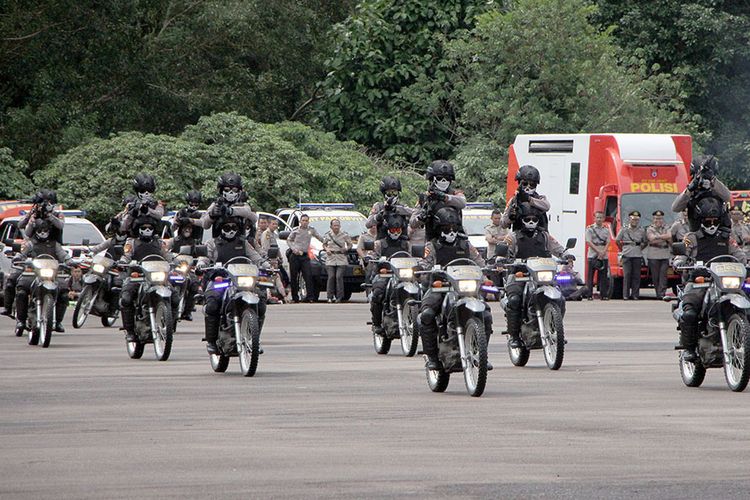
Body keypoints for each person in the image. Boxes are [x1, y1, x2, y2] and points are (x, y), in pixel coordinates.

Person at [418, 207, 489, 370]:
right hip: (440, 288)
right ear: (438, 229)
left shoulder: (466, 245)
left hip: (464, 289)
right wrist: (421, 269)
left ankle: (481, 354)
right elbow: (425, 263)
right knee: (427, 315)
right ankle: (432, 358)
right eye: (446, 229)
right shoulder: (432, 245)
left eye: (453, 228)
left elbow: (479, 261)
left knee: (485, 314)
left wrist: (489, 269)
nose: (450, 232)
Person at [677, 198, 746, 362]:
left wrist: (746, 263)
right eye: (708, 221)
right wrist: (680, 262)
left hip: (724, 282)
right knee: (690, 311)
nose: (712, 224)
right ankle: (688, 348)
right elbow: (681, 254)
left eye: (715, 221)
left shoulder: (726, 238)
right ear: (701, 221)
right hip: (699, 282)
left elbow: (740, 255)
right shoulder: (692, 238)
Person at [501, 203, 568, 348]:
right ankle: (513, 336)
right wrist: (500, 258)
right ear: (521, 220)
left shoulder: (544, 236)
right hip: (519, 274)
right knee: (514, 300)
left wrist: (566, 254)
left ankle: (557, 329)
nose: (531, 222)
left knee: (560, 298)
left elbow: (557, 247)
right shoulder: (513, 236)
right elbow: (503, 251)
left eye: (534, 219)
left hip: (541, 276)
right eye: (527, 219)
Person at [198, 217, 267, 354]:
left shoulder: (244, 243)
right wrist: (201, 264)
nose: (231, 230)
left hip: (241, 282)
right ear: (220, 228)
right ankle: (211, 341)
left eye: (234, 228)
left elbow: (256, 257)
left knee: (260, 301)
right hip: (220, 280)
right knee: (212, 303)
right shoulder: (212, 243)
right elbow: (205, 257)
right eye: (227, 227)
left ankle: (254, 339)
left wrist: (267, 265)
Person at [13, 220, 73, 335]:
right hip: (33, 275)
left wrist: (69, 261)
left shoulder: (55, 244)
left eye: (45, 230)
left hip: (52, 276)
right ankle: (20, 320)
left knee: (64, 292)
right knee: (21, 291)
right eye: (40, 230)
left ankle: (58, 321)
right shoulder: (31, 243)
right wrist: (19, 258)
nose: (43, 233)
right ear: (35, 231)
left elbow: (63, 255)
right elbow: (22, 253)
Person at [118, 217, 172, 342]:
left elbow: (168, 256)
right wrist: (123, 262)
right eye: (144, 228)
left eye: (150, 228)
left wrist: (177, 263)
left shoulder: (159, 243)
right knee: (126, 298)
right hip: (137, 277)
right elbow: (126, 256)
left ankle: (170, 325)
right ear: (138, 229)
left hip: (157, 278)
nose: (147, 230)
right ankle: (130, 331)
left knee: (173, 296)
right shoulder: (131, 242)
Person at [369, 213, 410, 336]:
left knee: (419, 293)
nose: (396, 232)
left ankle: (412, 317)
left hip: (403, 276)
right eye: (393, 229)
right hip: (384, 274)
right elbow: (372, 255)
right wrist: (371, 258)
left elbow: (414, 257)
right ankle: (376, 323)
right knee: (378, 293)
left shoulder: (406, 244)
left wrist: (419, 262)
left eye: (398, 230)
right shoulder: (379, 243)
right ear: (387, 230)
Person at [671, 155, 731, 233]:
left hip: (719, 234)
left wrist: (713, 180)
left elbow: (728, 197)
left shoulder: (717, 189)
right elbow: (675, 208)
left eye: (707, 175)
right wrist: (690, 189)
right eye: (702, 176)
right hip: (697, 235)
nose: (705, 179)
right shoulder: (691, 192)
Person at [410, 160, 467, 242]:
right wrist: (421, 217)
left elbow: (463, 203)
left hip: (456, 239)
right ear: (432, 179)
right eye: (440, 178)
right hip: (434, 241)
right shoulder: (425, 197)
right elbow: (412, 223)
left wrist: (444, 197)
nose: (443, 181)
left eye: (447, 178)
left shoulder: (455, 193)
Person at [199, 173, 258, 238]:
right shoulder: (215, 205)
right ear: (221, 190)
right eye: (227, 189)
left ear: (239, 191)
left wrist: (230, 211)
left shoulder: (243, 205)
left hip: (239, 244)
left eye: (234, 190)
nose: (231, 192)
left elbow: (253, 217)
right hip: (219, 244)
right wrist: (211, 215)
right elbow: (204, 225)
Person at [501, 165, 550, 230]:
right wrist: (510, 218)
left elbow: (547, 206)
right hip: (520, 237)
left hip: (539, 237)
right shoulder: (514, 201)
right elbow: (503, 224)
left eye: (532, 185)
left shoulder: (540, 198)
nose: (528, 187)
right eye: (525, 184)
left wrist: (528, 199)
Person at [287, 214, 323, 303]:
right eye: (303, 220)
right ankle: (295, 297)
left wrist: (326, 242)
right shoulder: (296, 230)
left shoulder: (311, 230)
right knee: (294, 277)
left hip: (305, 256)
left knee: (308, 276)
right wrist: (293, 248)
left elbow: (320, 237)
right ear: (300, 221)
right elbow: (289, 240)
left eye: (306, 221)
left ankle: (310, 297)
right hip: (295, 256)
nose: (305, 222)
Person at [615, 211, 647, 300]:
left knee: (636, 276)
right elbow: (617, 240)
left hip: (637, 254)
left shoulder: (641, 230)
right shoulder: (624, 229)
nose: (635, 221)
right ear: (629, 219)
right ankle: (625, 295)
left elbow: (645, 241)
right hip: (627, 254)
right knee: (627, 275)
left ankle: (635, 295)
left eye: (637, 220)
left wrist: (640, 249)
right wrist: (623, 249)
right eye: (633, 219)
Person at [323, 219, 352, 303]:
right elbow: (324, 244)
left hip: (341, 258)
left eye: (338, 225)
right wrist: (327, 249)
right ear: (331, 226)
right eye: (334, 225)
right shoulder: (328, 235)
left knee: (338, 277)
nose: (336, 227)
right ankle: (329, 296)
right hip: (331, 258)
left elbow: (350, 244)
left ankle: (339, 296)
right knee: (331, 277)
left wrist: (346, 248)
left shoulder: (344, 235)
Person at [646, 210, 672, 299]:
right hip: (653, 254)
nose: (658, 220)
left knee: (663, 275)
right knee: (655, 276)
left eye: (660, 218)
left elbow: (669, 236)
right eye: (656, 218)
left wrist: (658, 237)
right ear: (653, 219)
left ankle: (662, 293)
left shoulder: (666, 227)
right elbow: (651, 238)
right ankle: (658, 293)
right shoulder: (650, 228)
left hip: (664, 254)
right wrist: (663, 237)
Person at [585, 211, 610, 300]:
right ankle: (589, 294)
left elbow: (608, 242)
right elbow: (589, 241)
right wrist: (598, 252)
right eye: (597, 217)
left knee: (603, 276)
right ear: (594, 218)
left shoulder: (606, 230)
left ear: (603, 219)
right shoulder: (590, 229)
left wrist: (603, 252)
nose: (599, 219)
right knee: (590, 276)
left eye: (601, 217)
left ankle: (604, 295)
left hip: (604, 255)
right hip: (593, 255)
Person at [484, 208, 508, 290]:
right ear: (491, 218)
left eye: (499, 218)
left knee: (506, 273)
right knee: (494, 276)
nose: (497, 220)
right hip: (492, 257)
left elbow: (509, 238)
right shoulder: (488, 228)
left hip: (504, 256)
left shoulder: (505, 227)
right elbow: (490, 240)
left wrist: (496, 238)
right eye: (495, 218)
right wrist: (502, 239)